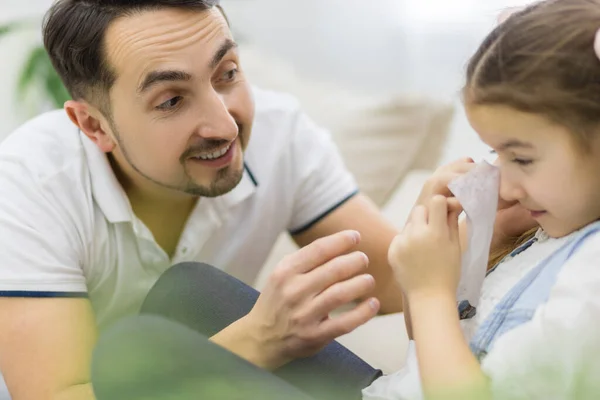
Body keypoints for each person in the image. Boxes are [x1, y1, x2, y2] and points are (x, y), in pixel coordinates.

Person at [0, 1, 531, 399]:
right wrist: (257, 339)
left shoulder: (281, 134)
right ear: (94, 126)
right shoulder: (30, 182)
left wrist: (483, 229)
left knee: (187, 293)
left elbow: (387, 279)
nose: (225, 123)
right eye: (171, 100)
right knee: (129, 347)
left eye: (227, 73)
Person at [363, 0, 600, 398]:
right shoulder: (550, 228)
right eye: (496, 154)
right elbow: (423, 356)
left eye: (522, 157)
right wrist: (465, 253)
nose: (505, 187)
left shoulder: (589, 279)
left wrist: (429, 292)